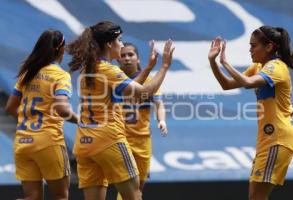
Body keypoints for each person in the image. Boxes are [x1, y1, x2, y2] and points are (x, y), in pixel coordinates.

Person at [67, 21, 174, 200]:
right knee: (133, 195)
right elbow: (144, 93)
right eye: (120, 40)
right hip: (109, 140)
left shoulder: (88, 68)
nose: (122, 45)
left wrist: (147, 68)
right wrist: (164, 67)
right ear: (109, 44)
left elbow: (131, 94)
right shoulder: (109, 69)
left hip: (84, 142)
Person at [208, 26, 293, 200]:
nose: (250, 50)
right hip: (267, 140)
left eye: (253, 45)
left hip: (278, 139)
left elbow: (248, 83)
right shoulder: (259, 66)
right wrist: (213, 61)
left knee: (257, 197)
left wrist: (225, 62)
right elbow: (227, 85)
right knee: (255, 197)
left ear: (269, 47)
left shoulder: (276, 67)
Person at [5, 29, 78, 200]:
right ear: (61, 48)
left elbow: (10, 107)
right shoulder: (60, 76)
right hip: (48, 141)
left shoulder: (27, 74)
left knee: (32, 198)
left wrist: (28, 120)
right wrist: (82, 121)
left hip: (23, 141)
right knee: (61, 196)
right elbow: (63, 109)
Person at [115, 42, 168, 200]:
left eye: (130, 54)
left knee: (138, 188)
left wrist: (162, 120)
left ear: (138, 59)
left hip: (143, 140)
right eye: (123, 55)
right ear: (117, 59)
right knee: (128, 186)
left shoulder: (150, 81)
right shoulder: (114, 78)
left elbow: (159, 104)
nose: (126, 58)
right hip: (121, 139)